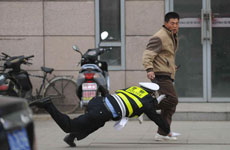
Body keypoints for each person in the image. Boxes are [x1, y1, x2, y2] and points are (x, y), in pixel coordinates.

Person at [30, 82, 171, 147]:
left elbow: (126, 101)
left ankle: (72, 138)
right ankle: (48, 104)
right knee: (69, 125)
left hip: (98, 102)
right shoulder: (147, 103)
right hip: (101, 112)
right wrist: (167, 129)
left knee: (97, 124)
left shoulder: (133, 88)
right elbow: (156, 118)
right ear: (152, 94)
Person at [142, 12, 180, 141]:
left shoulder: (171, 36)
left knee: (170, 106)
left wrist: (171, 66)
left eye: (176, 23)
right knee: (172, 100)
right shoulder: (160, 36)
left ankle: (163, 132)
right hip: (159, 73)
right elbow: (147, 54)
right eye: (172, 23)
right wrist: (149, 69)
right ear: (165, 23)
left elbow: (165, 56)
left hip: (166, 72)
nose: (175, 26)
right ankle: (143, 107)